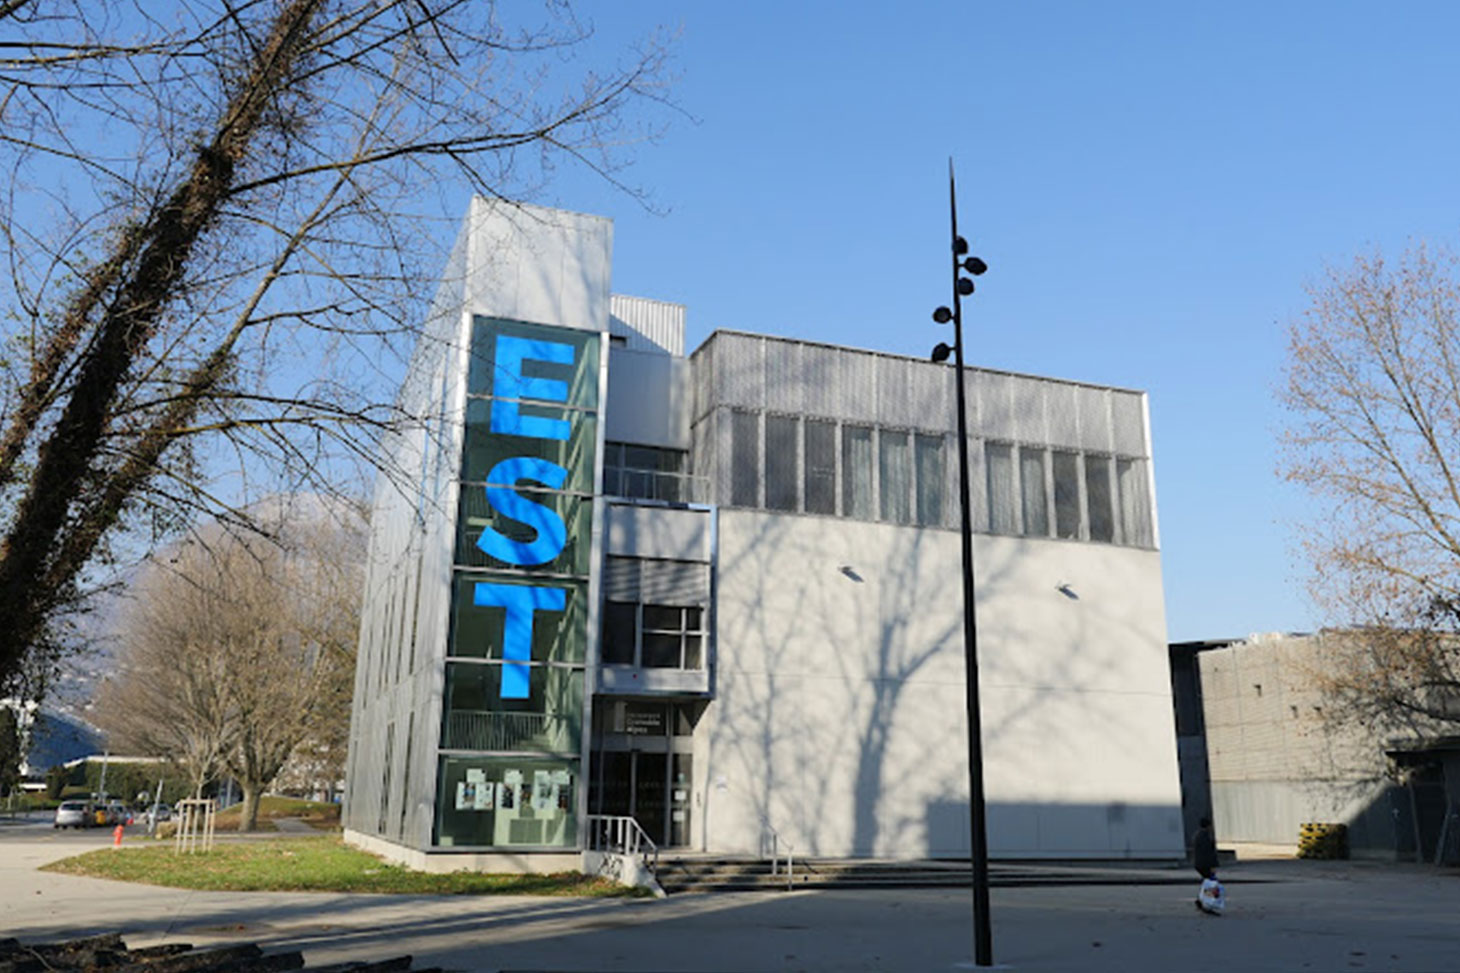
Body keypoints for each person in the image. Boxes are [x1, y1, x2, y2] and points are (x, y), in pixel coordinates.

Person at [1193, 816, 1222, 914]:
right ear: (1208, 826)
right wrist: (1213, 865)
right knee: (1211, 883)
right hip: (1205, 864)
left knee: (1207, 882)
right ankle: (1207, 904)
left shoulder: (1198, 835)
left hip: (1199, 863)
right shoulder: (1205, 836)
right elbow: (1209, 852)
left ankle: (1201, 901)